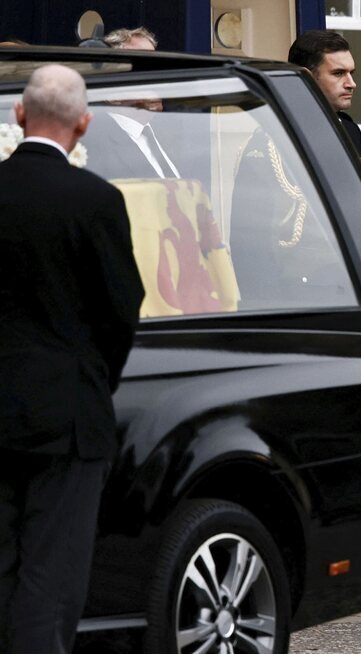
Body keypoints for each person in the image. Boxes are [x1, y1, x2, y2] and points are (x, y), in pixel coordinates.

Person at [0, 64, 144, 653]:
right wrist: (93, 378)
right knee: (50, 575)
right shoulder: (96, 200)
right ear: (83, 125)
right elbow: (121, 309)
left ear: (19, 115)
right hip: (69, 415)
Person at [287, 30, 361, 158]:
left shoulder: (351, 131)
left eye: (351, 73)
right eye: (338, 73)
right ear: (307, 77)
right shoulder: (279, 133)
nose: (351, 84)